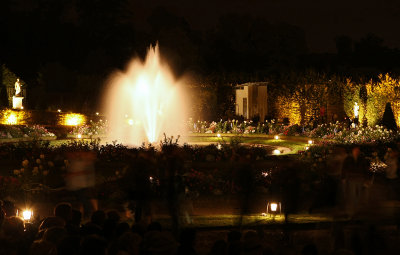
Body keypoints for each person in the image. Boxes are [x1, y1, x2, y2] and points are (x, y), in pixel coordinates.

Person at [342, 146, 369, 217]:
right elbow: (344, 168)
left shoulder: (362, 159)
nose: (356, 152)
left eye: (358, 150)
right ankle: (351, 211)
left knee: (359, 195)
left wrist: (366, 179)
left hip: (360, 178)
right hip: (352, 178)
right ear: (353, 151)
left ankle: (357, 210)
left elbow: (365, 169)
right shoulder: (348, 159)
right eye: (355, 150)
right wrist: (344, 177)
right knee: (352, 194)